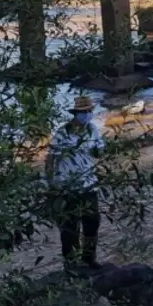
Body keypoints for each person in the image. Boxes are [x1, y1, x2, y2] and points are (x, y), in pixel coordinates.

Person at [45, 95, 103, 271]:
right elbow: (51, 158)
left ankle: (89, 259)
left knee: (92, 222)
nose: (87, 114)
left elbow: (98, 152)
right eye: (84, 111)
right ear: (76, 113)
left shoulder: (92, 129)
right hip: (67, 187)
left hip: (89, 184)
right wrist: (51, 183)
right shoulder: (63, 132)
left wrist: (101, 149)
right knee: (69, 227)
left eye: (89, 111)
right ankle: (70, 265)